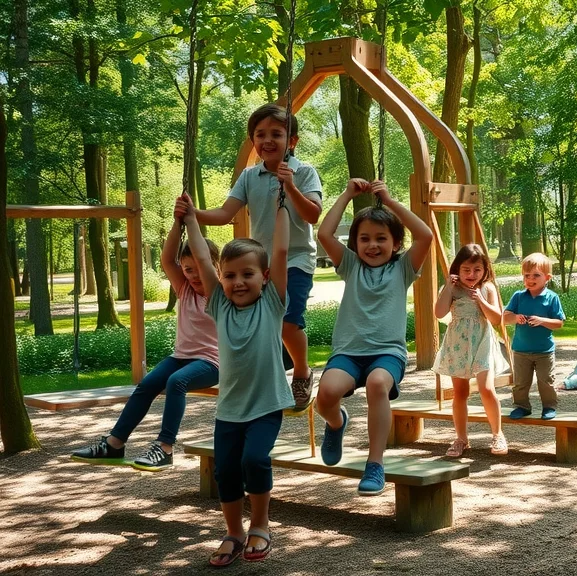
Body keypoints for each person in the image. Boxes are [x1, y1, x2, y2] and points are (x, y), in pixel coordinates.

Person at [179, 192, 294, 566]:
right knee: (226, 469)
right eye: (229, 275)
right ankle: (234, 532)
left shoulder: (273, 302)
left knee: (255, 459)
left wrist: (281, 206)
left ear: (264, 278)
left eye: (248, 274)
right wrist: (191, 219)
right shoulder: (219, 305)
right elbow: (200, 257)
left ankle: (260, 524)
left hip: (265, 404)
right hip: (229, 408)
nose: (238, 282)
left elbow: (279, 252)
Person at [193, 103, 322, 412]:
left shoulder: (303, 172)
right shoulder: (249, 176)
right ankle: (272, 370)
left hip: (296, 259)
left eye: (276, 134)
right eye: (260, 134)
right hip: (259, 263)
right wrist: (192, 213)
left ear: (292, 141)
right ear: (253, 140)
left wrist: (290, 185)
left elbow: (313, 214)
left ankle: (302, 373)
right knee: (259, 323)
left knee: (288, 321)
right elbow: (225, 214)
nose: (267, 140)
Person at [70, 221, 220, 472]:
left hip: (213, 362)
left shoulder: (219, 293)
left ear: (214, 264)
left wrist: (192, 224)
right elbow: (166, 260)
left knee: (177, 382)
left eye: (198, 268)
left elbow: (204, 265)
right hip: (182, 356)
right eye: (187, 269)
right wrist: (177, 223)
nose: (193, 275)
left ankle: (165, 448)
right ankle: (114, 443)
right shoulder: (184, 289)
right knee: (148, 384)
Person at [315, 179, 433, 495]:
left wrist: (390, 201)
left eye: (381, 238)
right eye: (364, 238)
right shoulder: (350, 265)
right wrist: (347, 194)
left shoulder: (404, 267)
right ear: (354, 244)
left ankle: (375, 463)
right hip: (349, 352)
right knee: (325, 395)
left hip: (387, 353)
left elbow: (426, 235)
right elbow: (324, 234)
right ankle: (337, 422)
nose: (372, 245)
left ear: (395, 244)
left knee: (377, 384)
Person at [432, 244, 509, 457]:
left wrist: (481, 300)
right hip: (458, 342)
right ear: (458, 268)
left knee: (486, 388)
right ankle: (461, 439)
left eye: (477, 270)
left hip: (482, 341)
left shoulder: (488, 288)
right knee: (460, 392)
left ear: (485, 270)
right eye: (466, 269)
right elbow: (439, 313)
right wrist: (447, 287)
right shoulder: (452, 288)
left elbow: (496, 319)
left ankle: (498, 434)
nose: (471, 274)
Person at [501, 253, 565, 420]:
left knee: (546, 381)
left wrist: (542, 321)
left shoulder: (552, 298)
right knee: (520, 383)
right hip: (521, 350)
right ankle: (522, 406)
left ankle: (549, 407)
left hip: (544, 350)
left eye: (536, 275)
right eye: (526, 275)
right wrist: (515, 318)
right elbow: (505, 317)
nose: (530, 279)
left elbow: (559, 323)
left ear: (547, 278)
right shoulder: (518, 296)